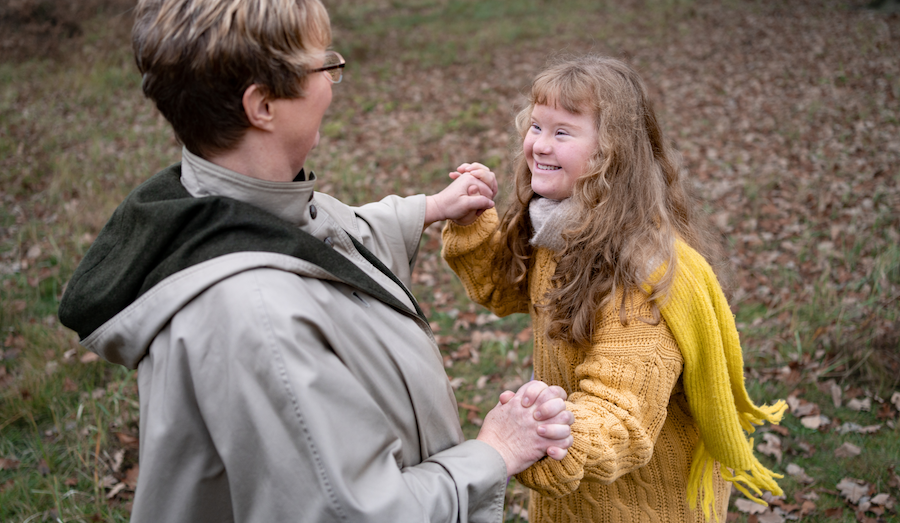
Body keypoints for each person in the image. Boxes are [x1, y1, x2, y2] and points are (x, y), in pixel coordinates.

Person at [57, 1, 575, 522]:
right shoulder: (256, 320)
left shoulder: (226, 206)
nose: (332, 81)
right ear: (262, 106)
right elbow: (354, 512)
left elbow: (329, 241)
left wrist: (428, 210)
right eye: (323, 65)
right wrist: (495, 451)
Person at [440, 55, 788, 523]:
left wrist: (547, 434)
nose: (539, 145)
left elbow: (620, 412)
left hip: (640, 506)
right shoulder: (557, 227)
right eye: (536, 126)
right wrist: (473, 226)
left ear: (611, 152)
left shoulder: (640, 279)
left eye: (562, 132)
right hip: (576, 502)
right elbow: (505, 290)